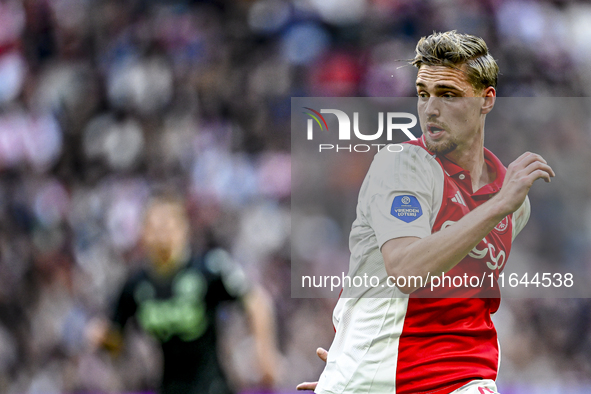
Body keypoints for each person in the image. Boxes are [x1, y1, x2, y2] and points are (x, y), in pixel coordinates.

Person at [297, 31, 555, 394]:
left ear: (486, 100)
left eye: (448, 95)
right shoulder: (403, 165)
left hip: (463, 379)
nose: (430, 109)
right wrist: (352, 367)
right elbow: (405, 270)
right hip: (384, 382)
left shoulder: (514, 201)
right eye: (423, 94)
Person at [88, 194, 280, 394]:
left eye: (169, 225)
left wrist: (265, 355)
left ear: (184, 229)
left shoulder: (209, 268)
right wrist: (102, 338)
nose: (163, 234)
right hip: (169, 386)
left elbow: (256, 302)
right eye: (155, 227)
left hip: (212, 386)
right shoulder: (135, 285)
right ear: (144, 233)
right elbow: (117, 343)